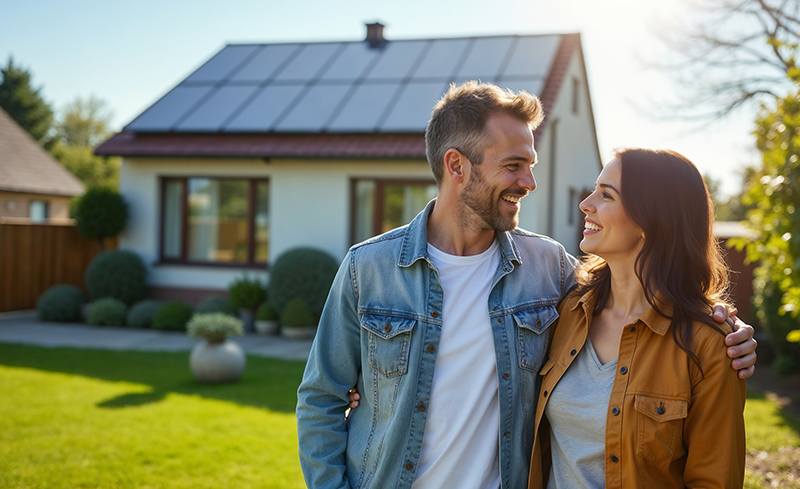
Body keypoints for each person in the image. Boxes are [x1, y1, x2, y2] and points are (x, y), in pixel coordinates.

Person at [296, 81, 755, 489]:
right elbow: (322, 398)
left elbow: (645, 291)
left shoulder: (550, 269)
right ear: (457, 166)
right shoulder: (368, 268)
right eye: (514, 165)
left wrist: (724, 325)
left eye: (531, 165)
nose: (530, 182)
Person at [528, 148, 746, 489]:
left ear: (650, 219)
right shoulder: (567, 310)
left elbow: (714, 480)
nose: (586, 204)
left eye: (606, 195)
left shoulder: (709, 343)